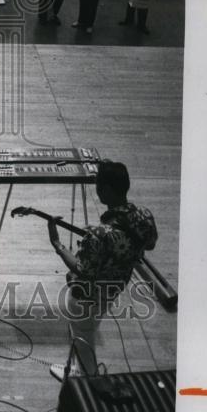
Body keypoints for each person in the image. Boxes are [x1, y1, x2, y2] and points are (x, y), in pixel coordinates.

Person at [48, 160, 157, 379]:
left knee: (82, 335)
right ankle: (80, 371)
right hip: (113, 289)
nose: (97, 191)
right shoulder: (144, 215)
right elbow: (150, 243)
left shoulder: (98, 233)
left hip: (85, 294)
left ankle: (89, 380)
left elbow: (82, 269)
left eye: (99, 187)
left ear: (106, 190)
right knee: (90, 327)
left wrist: (58, 245)